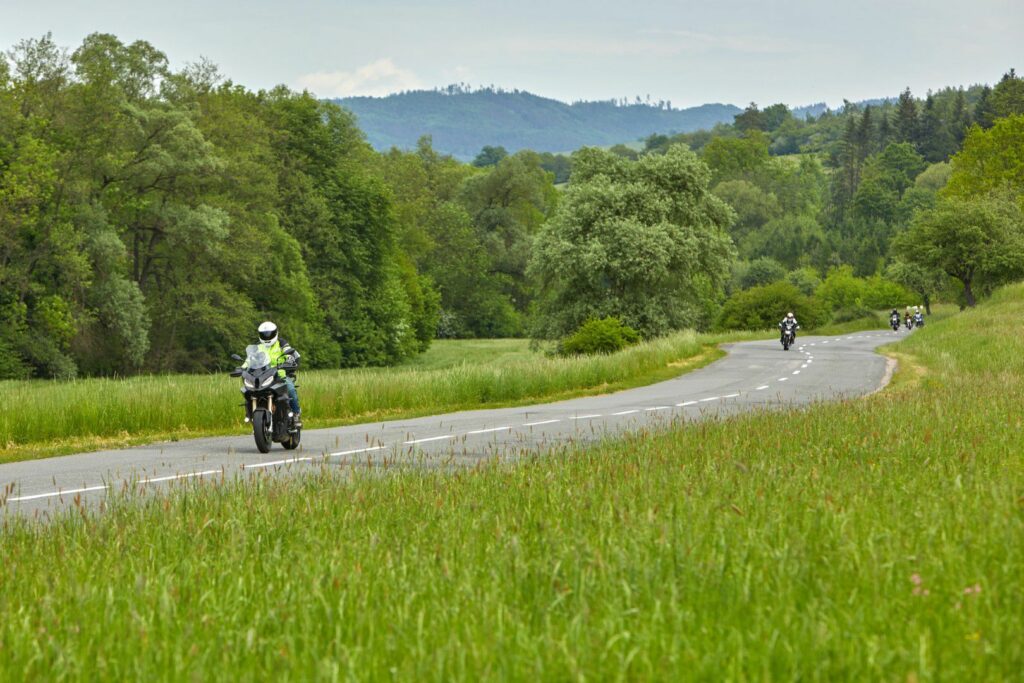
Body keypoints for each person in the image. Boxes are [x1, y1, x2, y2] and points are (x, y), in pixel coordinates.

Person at [249, 321, 302, 423]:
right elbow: (249, 359)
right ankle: (252, 415)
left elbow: (289, 353)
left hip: (279, 375)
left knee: (290, 389)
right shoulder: (257, 346)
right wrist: (242, 367)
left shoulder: (282, 343)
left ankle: (296, 413)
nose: (267, 337)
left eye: (269, 334)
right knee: (248, 391)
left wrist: (289, 360)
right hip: (261, 376)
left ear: (275, 333)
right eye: (264, 334)